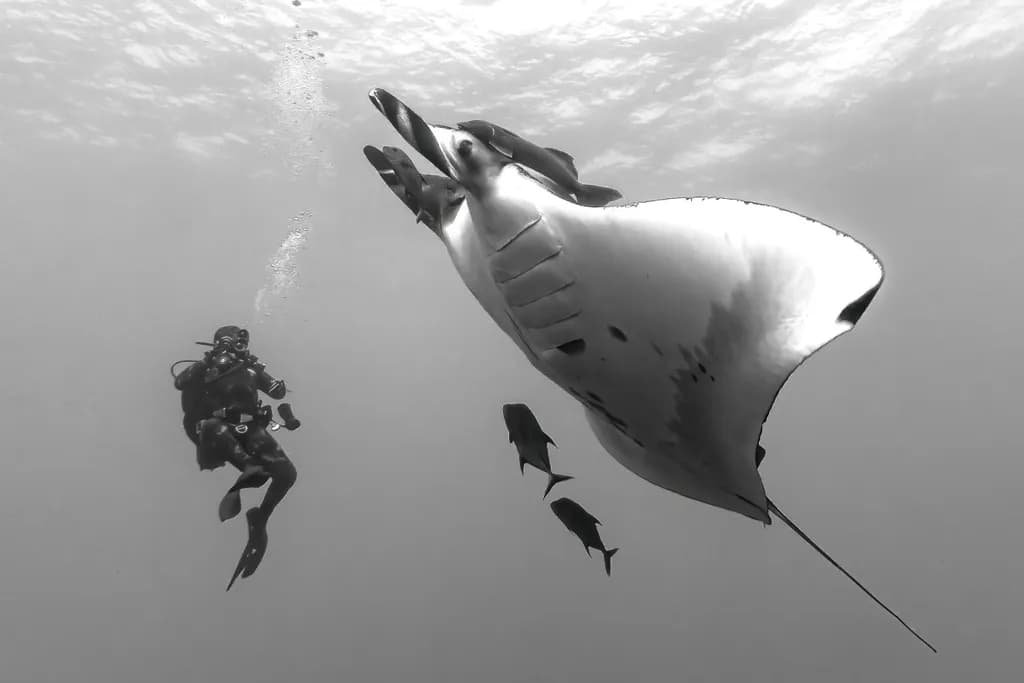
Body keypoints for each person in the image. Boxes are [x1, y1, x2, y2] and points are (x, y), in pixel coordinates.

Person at [173, 325, 300, 589]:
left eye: (235, 342)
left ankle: (260, 520)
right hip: (216, 432)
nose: (229, 347)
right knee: (212, 426)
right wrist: (209, 360)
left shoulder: (251, 370)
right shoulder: (206, 368)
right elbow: (180, 382)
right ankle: (250, 467)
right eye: (223, 341)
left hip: (250, 429)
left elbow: (277, 392)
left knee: (287, 474)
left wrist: (257, 367)